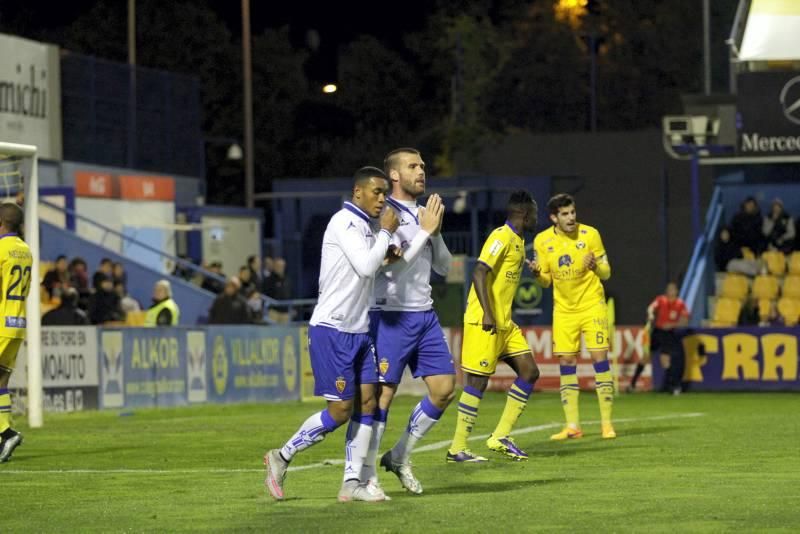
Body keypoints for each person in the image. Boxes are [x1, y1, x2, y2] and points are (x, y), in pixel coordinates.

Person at [263, 167, 399, 503]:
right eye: (376, 192)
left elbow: (365, 270)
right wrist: (385, 236)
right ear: (358, 192)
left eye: (385, 193)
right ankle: (281, 456)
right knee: (340, 410)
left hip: (359, 330)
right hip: (332, 329)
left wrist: (388, 253)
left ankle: (351, 484)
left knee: (369, 401)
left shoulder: (367, 228)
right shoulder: (343, 222)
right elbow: (365, 267)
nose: (382, 199)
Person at [362, 148, 451, 494]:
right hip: (390, 315)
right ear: (395, 176)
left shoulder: (424, 214)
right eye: (413, 166)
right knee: (383, 395)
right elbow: (391, 267)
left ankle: (399, 455)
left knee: (444, 390)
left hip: (424, 314)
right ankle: (367, 476)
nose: (421, 172)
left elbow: (443, 266)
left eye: (423, 166)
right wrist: (425, 232)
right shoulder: (385, 214)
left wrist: (436, 232)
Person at [447, 190, 542, 462]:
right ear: (524, 214)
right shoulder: (501, 236)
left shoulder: (519, 241)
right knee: (477, 381)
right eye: (534, 213)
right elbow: (478, 270)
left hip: (505, 323)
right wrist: (488, 313)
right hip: (484, 320)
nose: (537, 218)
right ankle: (457, 447)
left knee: (529, 371)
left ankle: (500, 435)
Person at [531, 193, 615, 440]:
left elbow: (607, 273)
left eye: (572, 212)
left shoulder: (591, 235)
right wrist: (537, 274)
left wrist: (595, 267)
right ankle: (572, 426)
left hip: (592, 306)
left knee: (599, 357)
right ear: (553, 218)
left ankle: (607, 424)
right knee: (566, 363)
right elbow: (546, 282)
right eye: (565, 214)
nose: (571, 218)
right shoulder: (542, 241)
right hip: (564, 311)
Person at [0, 203, 33, 462]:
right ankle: (4, 436)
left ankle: (5, 432)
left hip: (0, 322)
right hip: (17, 323)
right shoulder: (26, 250)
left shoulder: (1, 249)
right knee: (1, 381)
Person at [629, 282, 689, 394]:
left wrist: (672, 325)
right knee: (645, 357)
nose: (670, 291)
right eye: (668, 289)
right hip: (657, 332)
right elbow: (651, 308)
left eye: (672, 289)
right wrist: (651, 314)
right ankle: (632, 384)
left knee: (665, 360)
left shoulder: (680, 304)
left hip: (669, 334)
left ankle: (673, 387)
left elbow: (685, 320)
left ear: (676, 291)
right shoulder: (661, 300)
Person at [264, 257, 292, 324]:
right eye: (278, 266)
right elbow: (266, 293)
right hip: (273, 311)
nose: (280, 268)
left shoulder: (287, 280)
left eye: (282, 266)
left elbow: (291, 293)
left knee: (285, 332)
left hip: (285, 311)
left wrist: (294, 309)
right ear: (274, 267)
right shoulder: (269, 280)